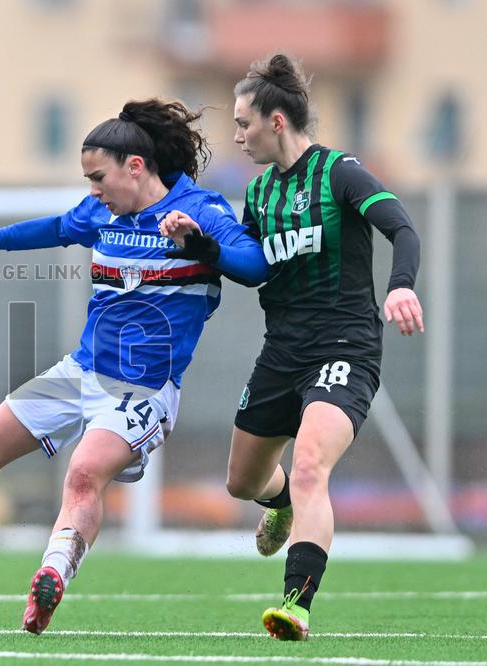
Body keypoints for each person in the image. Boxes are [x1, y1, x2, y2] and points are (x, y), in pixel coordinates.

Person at [0, 98, 269, 634]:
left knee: (83, 473)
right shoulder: (101, 212)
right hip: (80, 372)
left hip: (142, 391)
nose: (92, 190)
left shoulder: (200, 209)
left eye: (98, 177)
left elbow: (256, 266)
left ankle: (51, 576)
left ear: (136, 167)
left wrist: (199, 245)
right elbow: (55, 228)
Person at [162, 54, 424, 641]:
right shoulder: (258, 195)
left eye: (243, 123)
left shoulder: (340, 173)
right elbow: (253, 270)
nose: (236, 135)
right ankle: (276, 506)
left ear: (276, 121)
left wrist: (401, 286)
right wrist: (201, 244)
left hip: (346, 345)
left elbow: (401, 227)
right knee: (242, 483)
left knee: (309, 466)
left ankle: (296, 603)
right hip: (282, 351)